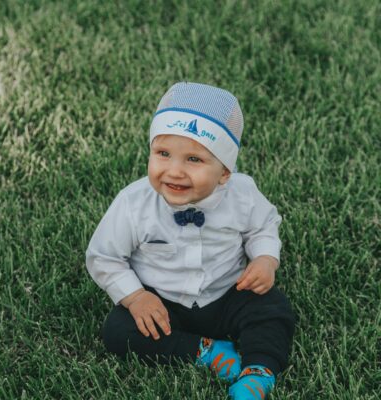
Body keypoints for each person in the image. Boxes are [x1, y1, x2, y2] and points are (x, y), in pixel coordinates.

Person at [86, 82, 295, 399]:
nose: (174, 170)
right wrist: (135, 297)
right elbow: (104, 257)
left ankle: (258, 370)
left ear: (224, 172)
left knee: (273, 308)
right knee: (119, 330)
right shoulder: (133, 203)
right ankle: (203, 351)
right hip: (164, 301)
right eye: (163, 154)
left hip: (228, 291)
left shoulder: (243, 193)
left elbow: (263, 226)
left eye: (194, 160)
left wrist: (265, 259)